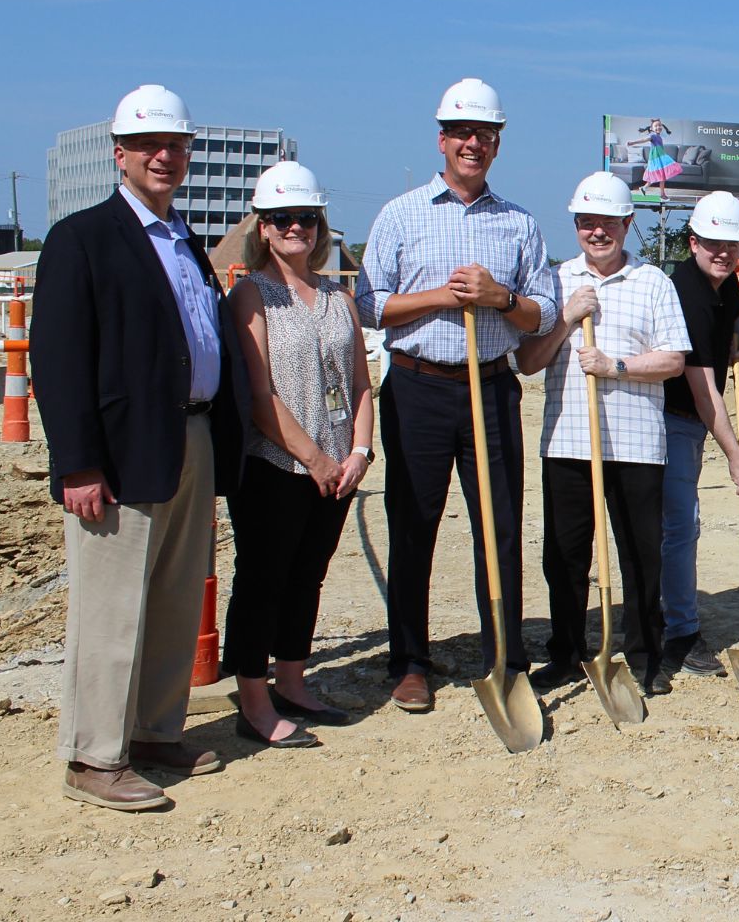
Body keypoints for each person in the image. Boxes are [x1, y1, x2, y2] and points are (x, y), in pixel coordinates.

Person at [33, 84, 245, 810]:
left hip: (188, 436)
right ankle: (94, 757)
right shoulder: (82, 238)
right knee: (111, 606)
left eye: (177, 146)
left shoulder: (185, 241)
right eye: (151, 146)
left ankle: (156, 732)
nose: (165, 156)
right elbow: (58, 359)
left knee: (174, 600)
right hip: (120, 454)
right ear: (119, 155)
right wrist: (78, 462)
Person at [355, 78, 559, 714]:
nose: (474, 143)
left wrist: (500, 298)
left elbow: (545, 312)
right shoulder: (402, 214)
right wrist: (443, 298)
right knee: (412, 524)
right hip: (417, 386)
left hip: (491, 387)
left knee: (498, 527)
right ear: (442, 140)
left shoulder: (519, 224)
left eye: (486, 134)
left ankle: (505, 655)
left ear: (497, 144)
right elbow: (369, 303)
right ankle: (411, 660)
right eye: (463, 133)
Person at [519, 172, 689, 697]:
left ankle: (644, 656)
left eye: (608, 223)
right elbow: (528, 361)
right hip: (568, 442)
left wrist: (615, 365)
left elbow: (674, 361)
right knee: (565, 557)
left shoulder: (654, 281)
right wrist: (568, 318)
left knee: (641, 556)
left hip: (637, 445)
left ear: (627, 224)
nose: (598, 232)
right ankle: (566, 654)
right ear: (575, 226)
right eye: (587, 223)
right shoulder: (553, 280)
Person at [224, 162, 371, 748]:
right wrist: (314, 459)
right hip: (277, 467)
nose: (295, 229)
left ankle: (293, 681)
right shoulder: (250, 298)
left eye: (305, 219)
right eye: (282, 219)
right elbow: (260, 396)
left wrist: (358, 451)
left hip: (338, 468)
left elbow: (361, 382)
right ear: (262, 227)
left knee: (307, 577)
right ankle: (255, 701)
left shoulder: (339, 297)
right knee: (263, 578)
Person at [658, 191, 739, 679]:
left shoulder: (723, 280)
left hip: (689, 422)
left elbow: (733, 312)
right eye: (713, 243)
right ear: (693, 241)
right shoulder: (687, 294)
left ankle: (664, 614)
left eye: (732, 245)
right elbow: (703, 393)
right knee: (680, 528)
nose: (723, 253)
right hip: (672, 418)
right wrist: (737, 456)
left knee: (672, 528)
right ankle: (680, 633)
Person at [634, 118, 682, 201]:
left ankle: (644, 188)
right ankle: (662, 195)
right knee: (661, 176)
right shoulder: (652, 135)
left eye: (659, 125)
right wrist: (632, 143)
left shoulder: (659, 136)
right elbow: (644, 140)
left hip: (660, 157)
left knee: (659, 176)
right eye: (656, 126)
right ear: (651, 129)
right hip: (655, 159)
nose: (658, 127)